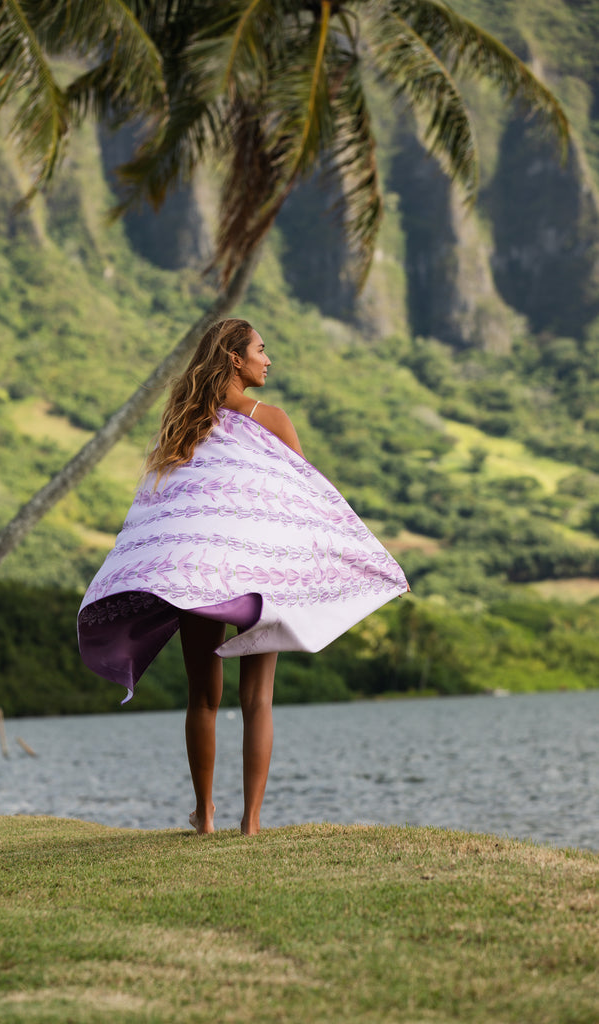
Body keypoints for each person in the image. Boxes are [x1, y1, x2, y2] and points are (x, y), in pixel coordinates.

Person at [78, 318, 408, 836]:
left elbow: (164, 506)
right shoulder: (273, 420)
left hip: (198, 574)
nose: (267, 358)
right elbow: (304, 503)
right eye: (260, 349)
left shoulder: (184, 426)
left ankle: (205, 815)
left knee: (202, 697)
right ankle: (251, 822)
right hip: (258, 578)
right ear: (236, 358)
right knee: (257, 699)